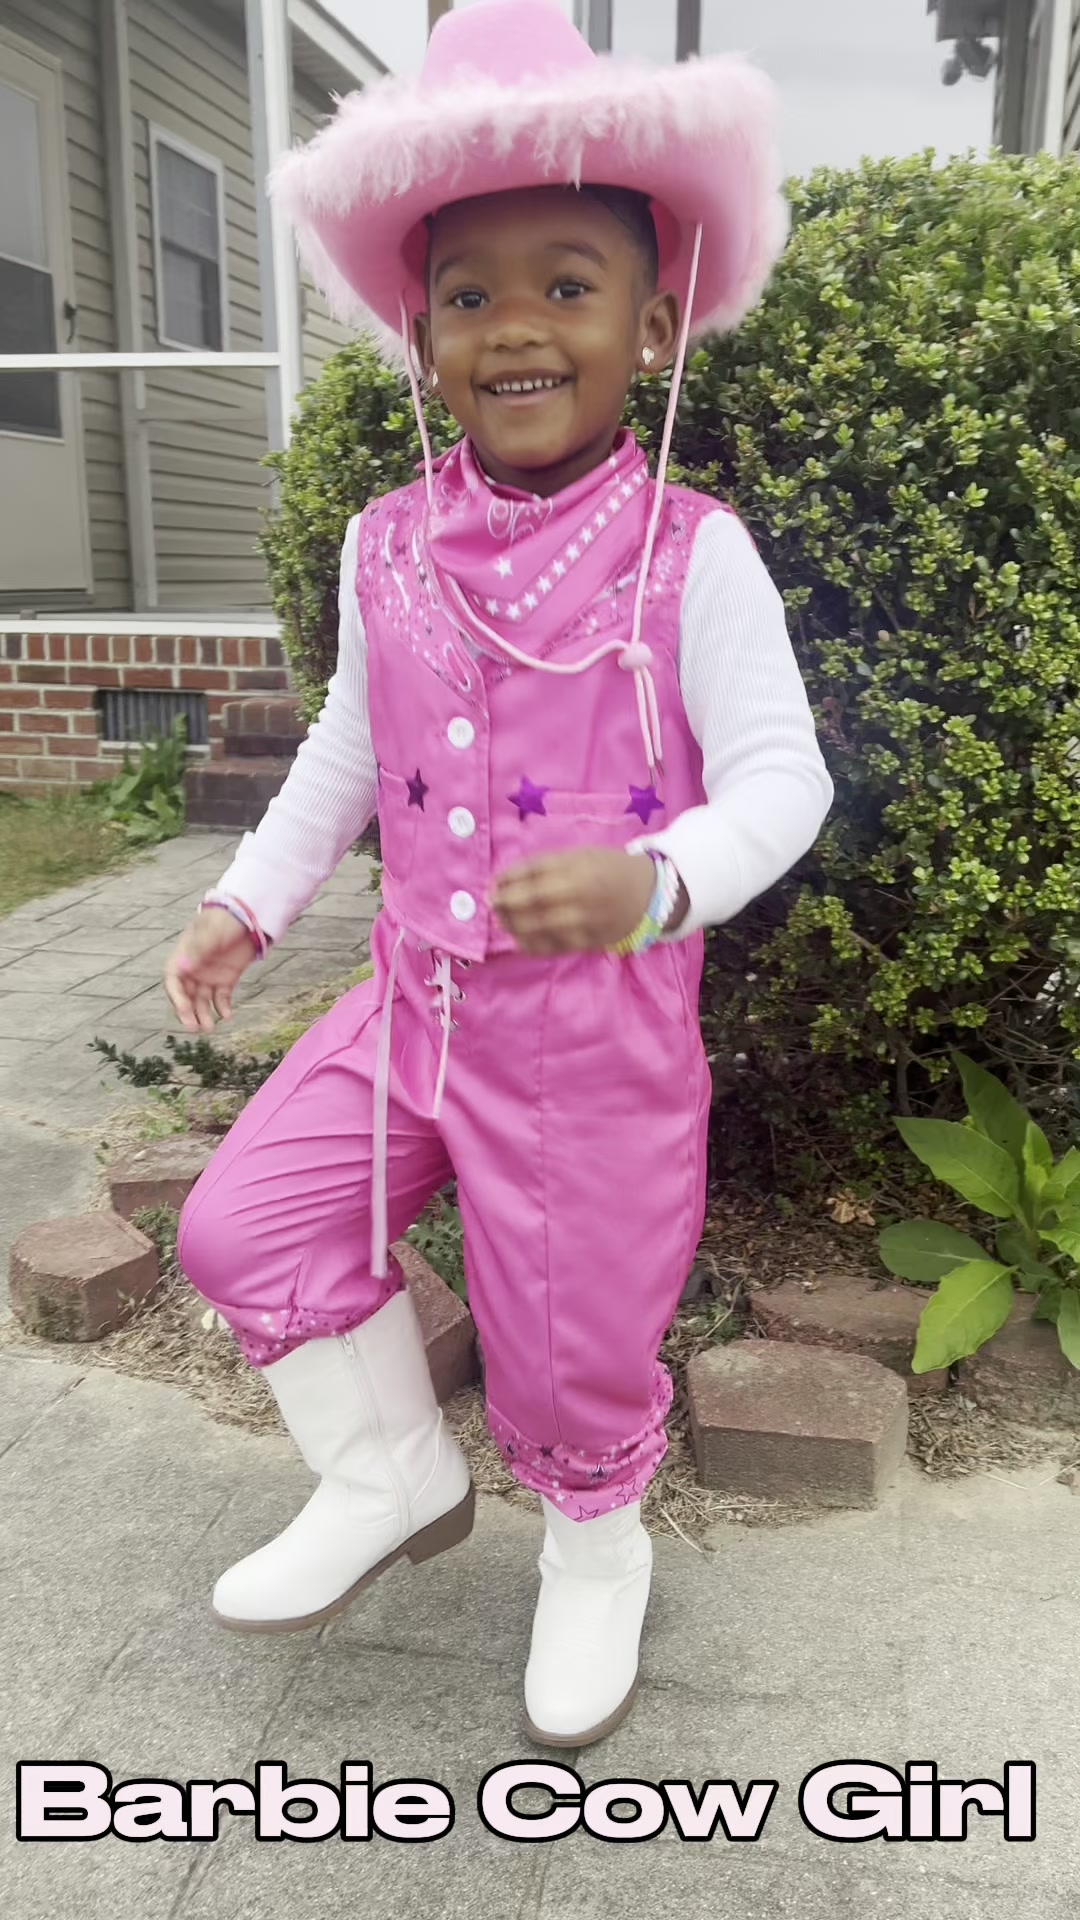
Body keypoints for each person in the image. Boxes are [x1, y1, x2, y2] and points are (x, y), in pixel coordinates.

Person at [168, 0, 833, 1748]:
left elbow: (785, 780)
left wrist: (657, 882)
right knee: (247, 1225)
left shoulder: (692, 557)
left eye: (567, 284)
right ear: (420, 331)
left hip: (591, 1042)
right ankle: (387, 1473)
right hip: (417, 1004)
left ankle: (596, 1554)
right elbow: (346, 747)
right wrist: (250, 899)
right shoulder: (387, 545)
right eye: (468, 294)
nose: (515, 326)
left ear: (654, 320)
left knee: (571, 1340)